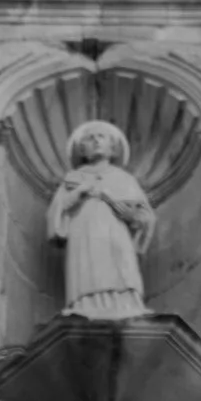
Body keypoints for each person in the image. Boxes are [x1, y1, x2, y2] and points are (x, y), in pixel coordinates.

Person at [47, 119, 156, 320]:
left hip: (115, 230)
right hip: (84, 227)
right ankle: (85, 304)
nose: (96, 141)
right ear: (82, 150)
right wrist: (81, 191)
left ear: (113, 148)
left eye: (101, 137)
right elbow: (58, 210)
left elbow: (146, 216)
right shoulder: (74, 178)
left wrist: (133, 217)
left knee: (121, 265)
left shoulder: (124, 178)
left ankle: (126, 304)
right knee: (88, 265)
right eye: (90, 139)